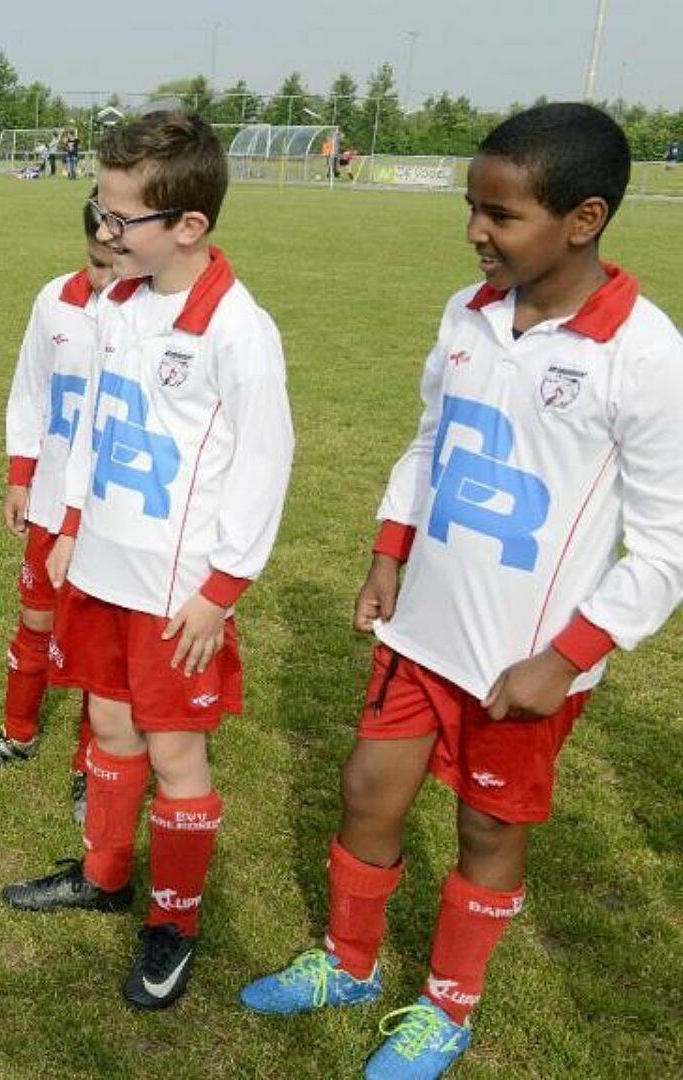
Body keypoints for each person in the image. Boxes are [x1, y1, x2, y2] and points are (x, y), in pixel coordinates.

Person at [240, 103, 683, 1080]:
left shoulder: (646, 354)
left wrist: (563, 660)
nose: (476, 231)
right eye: (472, 209)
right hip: (423, 631)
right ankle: (349, 963)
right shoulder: (468, 313)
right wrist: (388, 553)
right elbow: (431, 442)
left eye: (502, 215)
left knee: (487, 828)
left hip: (524, 663)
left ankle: (447, 1008)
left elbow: (665, 548)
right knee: (367, 789)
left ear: (585, 218)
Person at [4, 111, 294, 1011]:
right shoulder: (116, 306)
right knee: (110, 728)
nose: (104, 230)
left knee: (175, 754)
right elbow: (94, 429)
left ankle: (175, 922)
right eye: (101, 208)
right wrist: (71, 525)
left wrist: (221, 590)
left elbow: (265, 462)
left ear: (189, 226)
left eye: (121, 218)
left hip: (176, 597)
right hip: (102, 567)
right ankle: (103, 873)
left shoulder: (238, 330)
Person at [0, 195, 112, 825]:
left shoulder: (146, 318)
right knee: (36, 618)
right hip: (49, 498)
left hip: (108, 511)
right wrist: (20, 476)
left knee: (97, 643)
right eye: (97, 262)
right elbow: (30, 390)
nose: (106, 277)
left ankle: (91, 764)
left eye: (116, 263)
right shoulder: (54, 301)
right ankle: (17, 733)